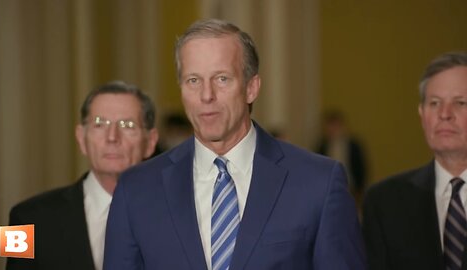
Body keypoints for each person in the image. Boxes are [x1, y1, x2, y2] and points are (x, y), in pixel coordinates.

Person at [104, 19, 365, 270]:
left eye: (222, 79)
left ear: (251, 88)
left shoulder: (318, 183)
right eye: (193, 80)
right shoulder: (136, 191)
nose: (206, 95)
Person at [6, 81, 159, 270]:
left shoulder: (185, 215)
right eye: (99, 124)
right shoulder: (23, 219)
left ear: (151, 142)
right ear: (81, 138)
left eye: (127, 125)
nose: (112, 137)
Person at [362, 52, 467, 269]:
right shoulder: (384, 202)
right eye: (435, 103)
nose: (445, 114)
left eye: (461, 102)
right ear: (422, 114)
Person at [316, 110, 367, 206]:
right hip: (329, 188)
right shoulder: (322, 146)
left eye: (335, 125)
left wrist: (360, 189)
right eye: (330, 126)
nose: (333, 129)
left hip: (351, 187)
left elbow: (361, 167)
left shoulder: (354, 145)